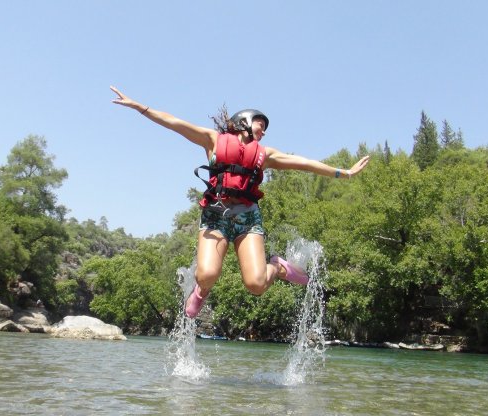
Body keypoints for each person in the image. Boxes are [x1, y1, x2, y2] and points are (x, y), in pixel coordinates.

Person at [111, 86, 370, 318]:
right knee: (207, 275)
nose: (264, 130)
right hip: (215, 215)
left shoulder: (265, 154)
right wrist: (139, 107)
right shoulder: (213, 141)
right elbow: (174, 123)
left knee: (256, 284)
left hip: (247, 219)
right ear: (244, 122)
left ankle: (278, 267)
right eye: (260, 124)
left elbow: (304, 163)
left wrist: (342, 172)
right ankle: (200, 292)